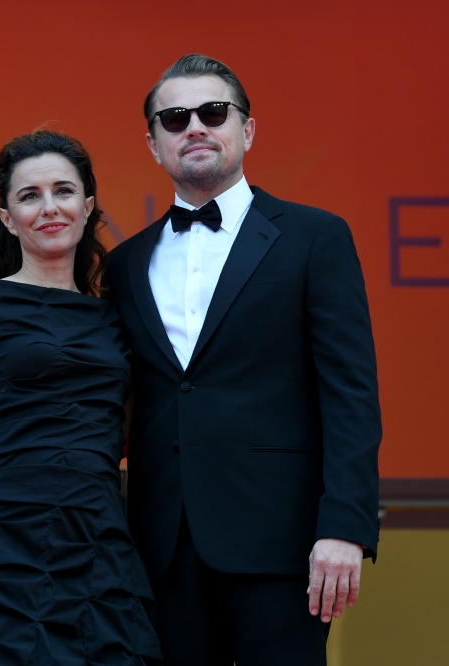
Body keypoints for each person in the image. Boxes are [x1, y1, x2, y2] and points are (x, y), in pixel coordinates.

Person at [102, 54, 382, 665]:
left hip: (283, 544)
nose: (194, 127)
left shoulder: (315, 237)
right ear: (153, 144)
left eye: (213, 112)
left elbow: (351, 395)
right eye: (174, 119)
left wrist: (344, 526)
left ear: (247, 130)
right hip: (161, 549)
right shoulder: (122, 265)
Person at [0, 130, 162, 665]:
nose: (50, 208)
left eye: (64, 192)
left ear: (88, 207)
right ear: (6, 218)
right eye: (29, 195)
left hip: (93, 534)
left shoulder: (118, 317)